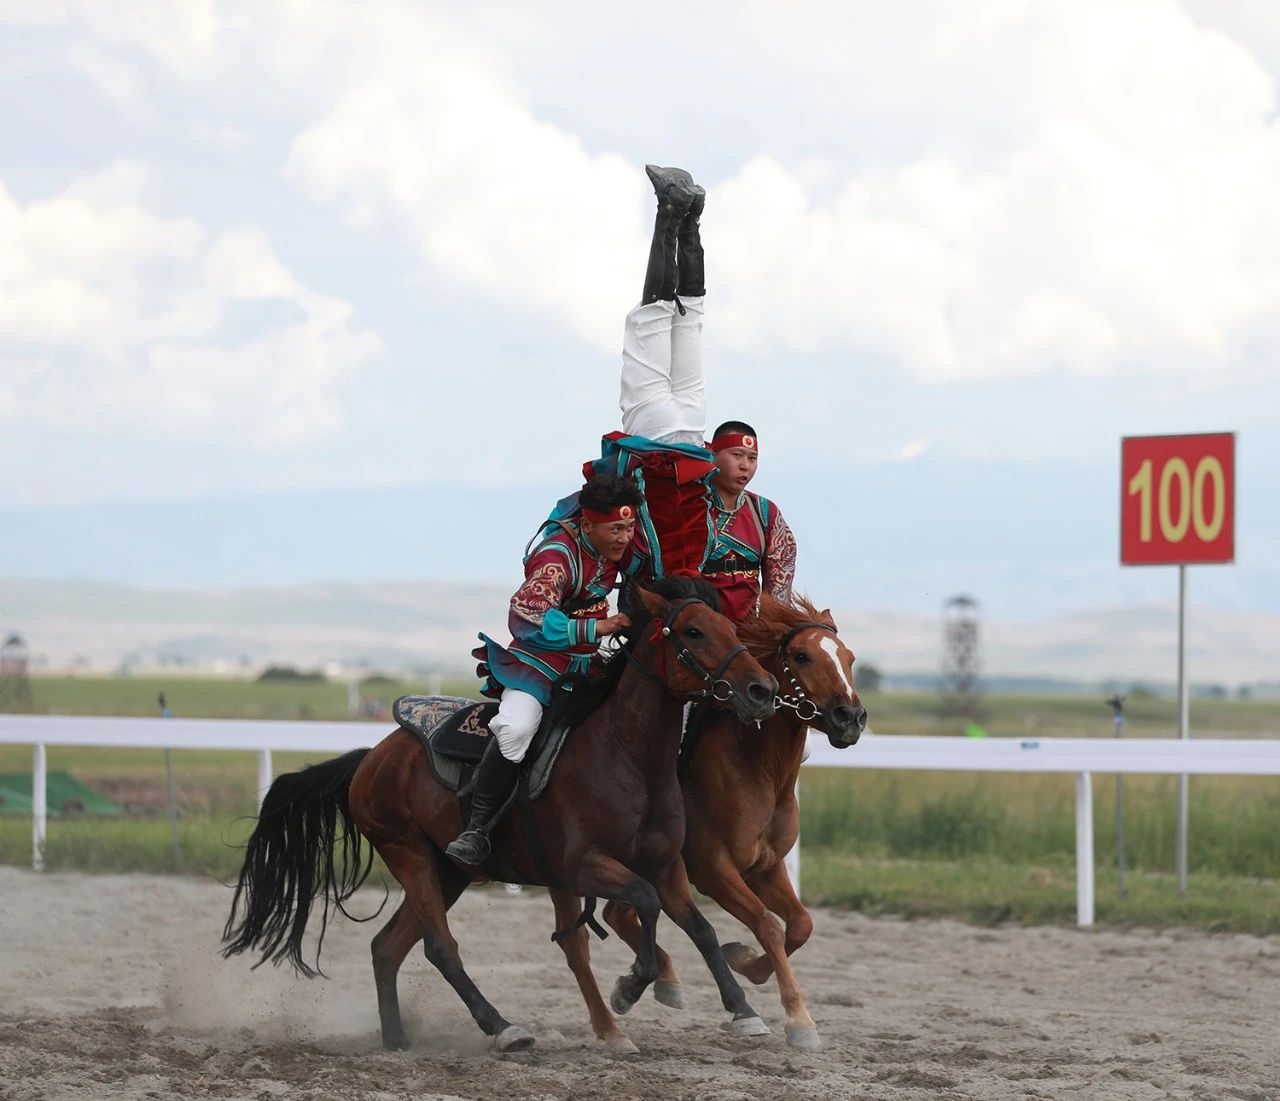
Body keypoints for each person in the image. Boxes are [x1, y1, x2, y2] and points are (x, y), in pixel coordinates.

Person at [446, 474, 646, 865]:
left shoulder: (614, 544)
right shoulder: (556, 559)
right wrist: (598, 626)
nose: (624, 537)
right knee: (516, 729)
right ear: (588, 525)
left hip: (588, 662)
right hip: (538, 661)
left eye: (629, 527)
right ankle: (476, 829)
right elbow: (526, 616)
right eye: (615, 529)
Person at [702, 420, 797, 623]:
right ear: (713, 455)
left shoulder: (765, 513)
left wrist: (768, 633)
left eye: (752, 458)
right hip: (695, 637)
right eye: (737, 455)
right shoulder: (691, 505)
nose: (745, 466)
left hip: (746, 641)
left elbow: (778, 594)